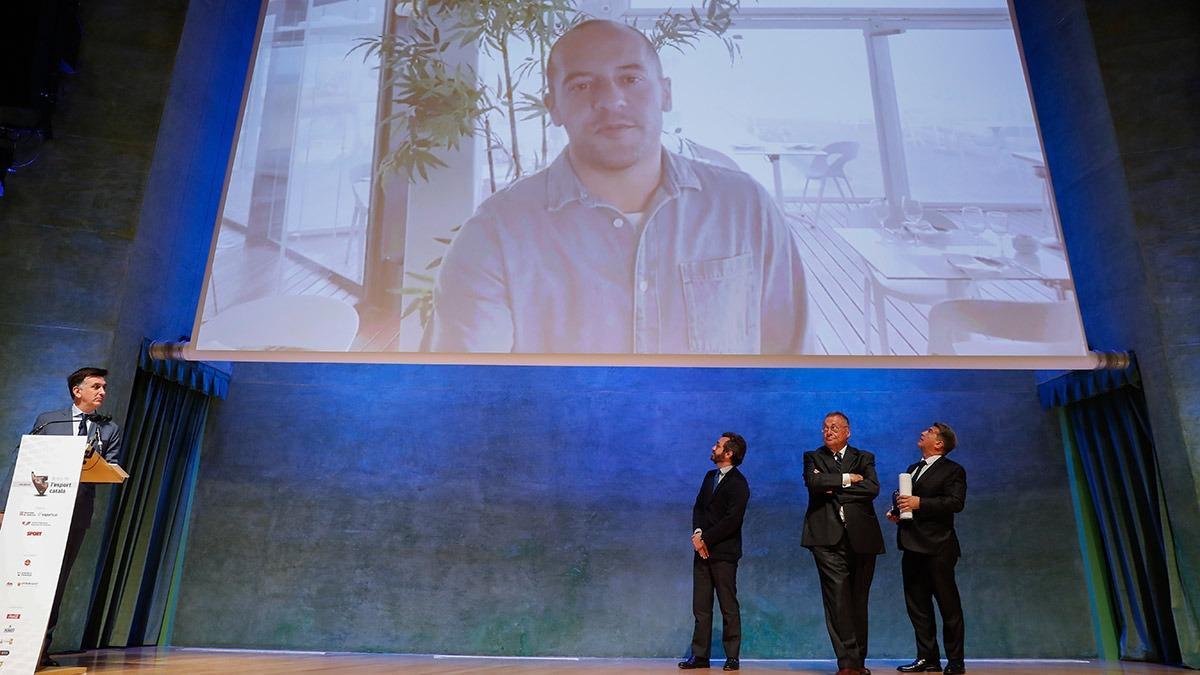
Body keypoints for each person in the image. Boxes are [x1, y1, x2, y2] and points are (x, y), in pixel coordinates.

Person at [426, 19, 807, 355]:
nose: (610, 100)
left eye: (630, 79)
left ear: (666, 92)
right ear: (553, 107)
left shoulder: (743, 207)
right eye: (581, 85)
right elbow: (469, 388)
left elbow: (793, 361)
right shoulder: (497, 232)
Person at [0, 367, 123, 668]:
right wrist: (4, 506)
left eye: (104, 387)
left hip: (74, 515)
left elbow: (113, 467)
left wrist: (98, 462)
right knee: (19, 578)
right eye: (96, 386)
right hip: (35, 511)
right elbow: (22, 460)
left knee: (55, 582)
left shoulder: (108, 429)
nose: (102, 392)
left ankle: (40, 648)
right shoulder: (49, 421)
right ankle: (8, 644)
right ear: (77, 391)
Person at [801, 412, 884, 675]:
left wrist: (833, 485)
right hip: (825, 538)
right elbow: (813, 483)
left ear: (848, 431)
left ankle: (859, 661)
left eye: (834, 427)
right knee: (837, 599)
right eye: (825, 427)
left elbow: (872, 488)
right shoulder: (813, 456)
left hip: (862, 537)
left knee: (859, 600)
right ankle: (847, 663)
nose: (828, 431)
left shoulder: (864, 457)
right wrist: (849, 479)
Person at [887, 423, 967, 675]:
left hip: (938, 546)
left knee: (948, 605)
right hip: (912, 545)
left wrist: (919, 502)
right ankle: (927, 658)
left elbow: (955, 502)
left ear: (940, 443)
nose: (923, 432)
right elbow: (910, 504)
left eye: (930, 431)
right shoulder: (913, 469)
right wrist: (899, 512)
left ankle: (955, 661)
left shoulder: (953, 470)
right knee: (918, 606)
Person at [679, 432, 750, 672]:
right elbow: (699, 507)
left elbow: (732, 520)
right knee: (701, 605)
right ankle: (700, 656)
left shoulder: (739, 483)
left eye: (718, 445)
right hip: (702, 551)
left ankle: (732, 656)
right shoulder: (710, 477)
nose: (713, 447)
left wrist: (706, 539)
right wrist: (698, 534)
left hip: (724, 553)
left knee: (728, 605)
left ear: (728, 453)